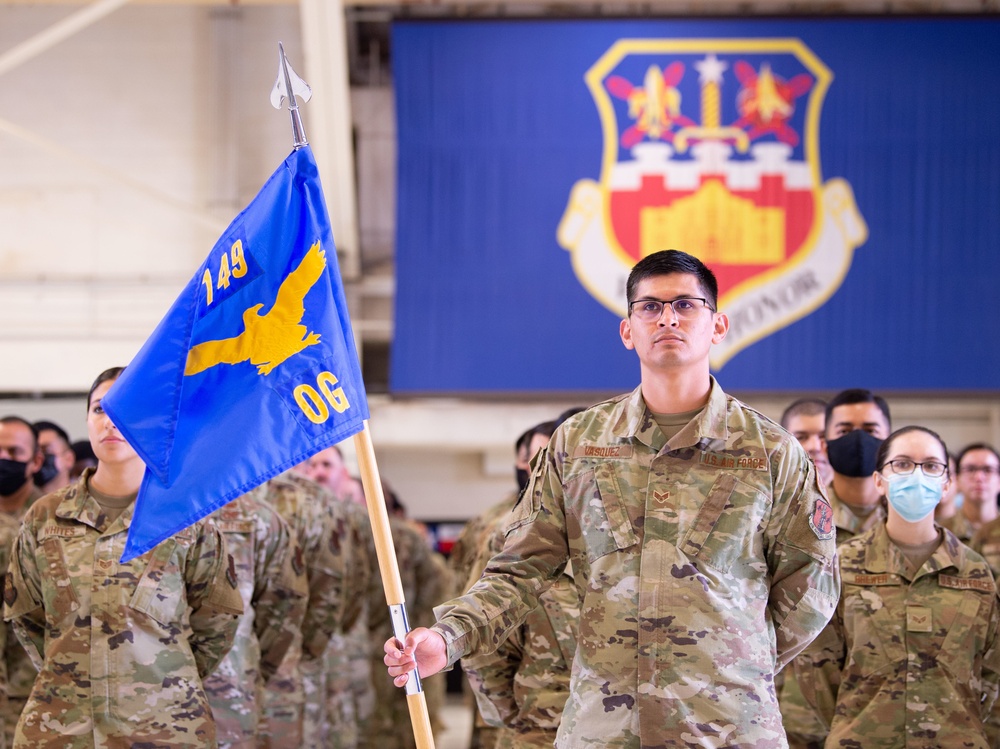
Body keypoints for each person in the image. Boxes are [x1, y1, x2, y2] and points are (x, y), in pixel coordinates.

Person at [384, 249, 839, 747]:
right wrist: (448, 637)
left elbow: (810, 586)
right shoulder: (578, 444)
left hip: (730, 727)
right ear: (628, 331)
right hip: (605, 726)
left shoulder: (770, 452)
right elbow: (520, 571)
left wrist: (734, 658)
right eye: (650, 307)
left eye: (686, 305)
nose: (668, 317)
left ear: (718, 325)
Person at [2, 367, 244, 748]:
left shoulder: (187, 518)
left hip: (165, 728)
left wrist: (157, 681)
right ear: (87, 420)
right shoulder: (45, 517)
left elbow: (216, 623)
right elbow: (28, 618)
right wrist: (75, 675)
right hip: (61, 727)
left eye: (128, 410)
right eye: (100, 409)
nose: (111, 422)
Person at [794, 426, 1000, 748]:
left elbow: (991, 671)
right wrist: (862, 720)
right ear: (879, 480)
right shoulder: (841, 565)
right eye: (902, 464)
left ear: (947, 484)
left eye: (931, 465)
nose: (917, 475)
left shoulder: (974, 572)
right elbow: (817, 668)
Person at [459, 422, 579, 749]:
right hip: (539, 728)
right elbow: (484, 641)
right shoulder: (507, 532)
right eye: (539, 457)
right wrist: (513, 717)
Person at [203, 492, 309, 749]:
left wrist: (248, 669)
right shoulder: (138, 511)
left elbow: (282, 612)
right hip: (140, 711)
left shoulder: (257, 519)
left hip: (228, 703)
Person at [0, 417, 44, 743]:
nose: (4, 459)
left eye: (14, 452)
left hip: (32, 689)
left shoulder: (54, 520)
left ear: (36, 461)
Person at [823, 388, 892, 543]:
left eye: (870, 430)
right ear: (824, 445)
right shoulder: (803, 514)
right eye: (844, 431)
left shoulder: (907, 514)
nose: (859, 439)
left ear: (890, 444)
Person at [944, 443, 1000, 541]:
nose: (979, 477)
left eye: (988, 470)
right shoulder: (940, 534)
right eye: (970, 469)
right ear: (957, 479)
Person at [781, 398, 833, 487]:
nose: (815, 447)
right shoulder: (764, 499)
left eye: (824, 436)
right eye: (801, 437)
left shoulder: (861, 498)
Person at [32, 421, 75, 495]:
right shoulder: (15, 504)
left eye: (45, 450)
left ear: (69, 459)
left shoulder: (90, 503)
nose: (39, 457)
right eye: (33, 451)